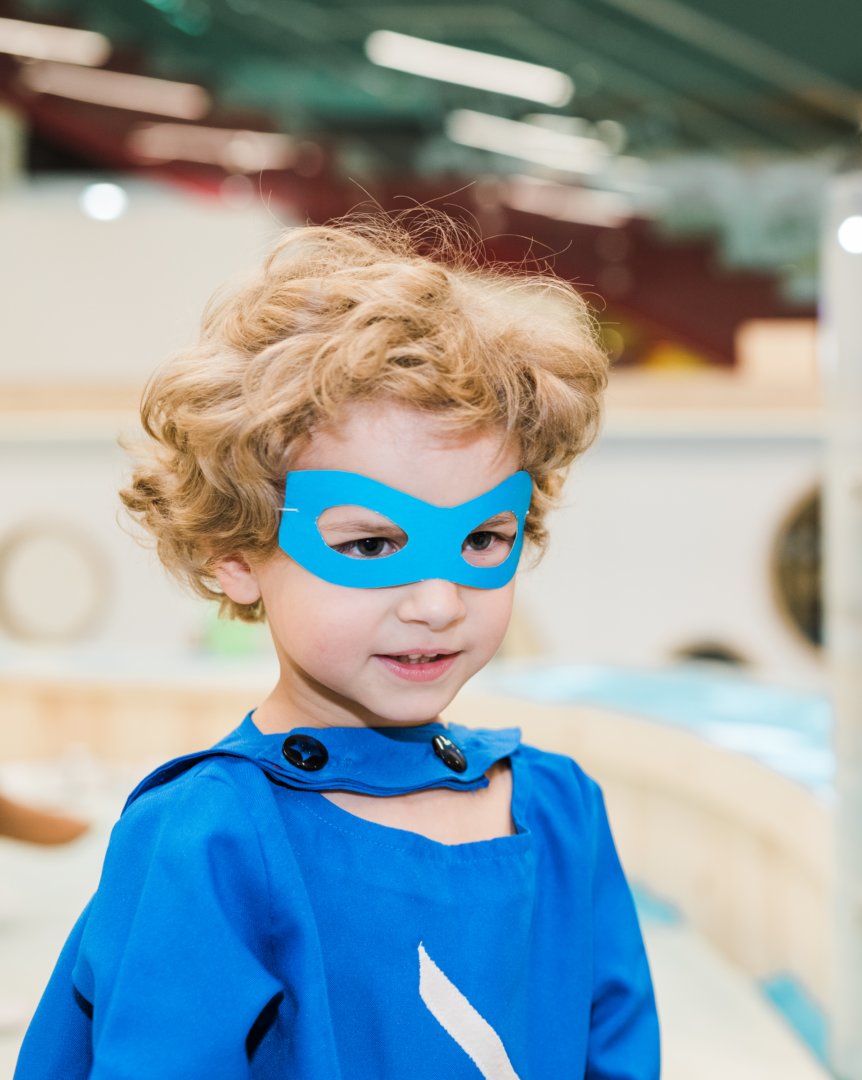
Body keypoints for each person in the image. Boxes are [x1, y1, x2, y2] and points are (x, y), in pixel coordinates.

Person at [15, 217, 660, 1078]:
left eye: (481, 539)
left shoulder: (560, 812)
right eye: (369, 545)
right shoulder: (210, 840)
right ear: (236, 555)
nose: (438, 603)